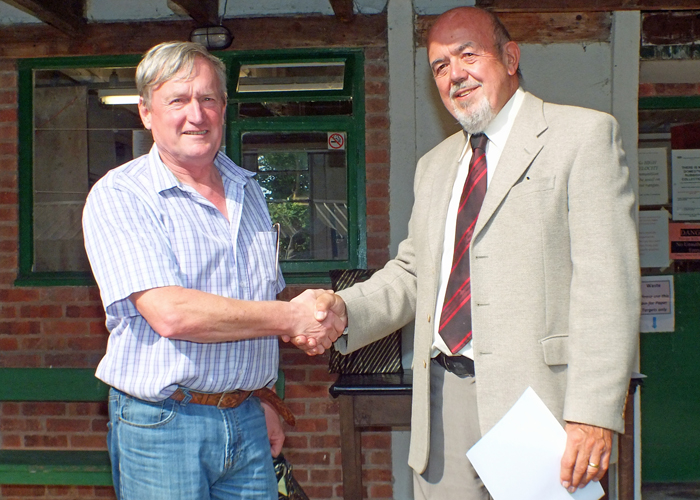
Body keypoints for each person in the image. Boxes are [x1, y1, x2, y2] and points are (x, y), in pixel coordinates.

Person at [303, 7, 640, 499]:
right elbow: (416, 274)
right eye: (440, 66)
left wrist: (591, 413)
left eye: (467, 55)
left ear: (509, 57)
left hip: (540, 407)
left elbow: (608, 285)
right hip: (442, 405)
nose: (454, 74)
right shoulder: (434, 166)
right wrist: (345, 308)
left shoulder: (581, 137)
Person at [82, 41, 343, 500]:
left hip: (244, 416)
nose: (196, 115)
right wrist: (295, 318)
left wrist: (262, 394)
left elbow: (259, 300)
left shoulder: (250, 191)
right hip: (163, 424)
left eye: (207, 99)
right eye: (177, 100)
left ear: (223, 107)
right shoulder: (121, 196)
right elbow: (171, 314)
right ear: (146, 112)